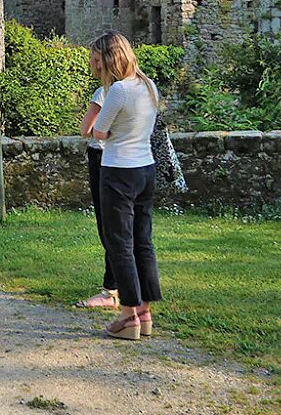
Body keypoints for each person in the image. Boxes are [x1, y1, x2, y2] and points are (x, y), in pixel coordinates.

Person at [88, 31, 163, 341]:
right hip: (145, 167)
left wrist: (108, 131)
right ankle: (145, 311)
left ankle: (128, 315)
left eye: (97, 60)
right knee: (143, 242)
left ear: (109, 59)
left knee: (120, 243)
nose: (95, 66)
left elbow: (98, 132)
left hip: (119, 169)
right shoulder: (149, 86)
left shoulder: (118, 90)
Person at [75, 46, 118, 310]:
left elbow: (85, 129)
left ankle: (110, 290)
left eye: (94, 59)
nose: (91, 63)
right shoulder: (136, 89)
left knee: (108, 225)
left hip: (102, 158)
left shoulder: (104, 93)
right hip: (128, 160)